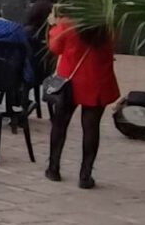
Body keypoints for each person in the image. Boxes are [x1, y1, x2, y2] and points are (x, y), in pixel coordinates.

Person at [42, 10, 121, 189]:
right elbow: (113, 44)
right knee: (91, 128)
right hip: (97, 81)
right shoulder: (107, 25)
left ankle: (53, 168)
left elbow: (54, 48)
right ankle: (85, 175)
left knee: (60, 124)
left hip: (69, 81)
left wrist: (52, 25)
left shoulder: (67, 24)